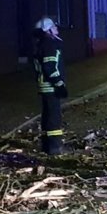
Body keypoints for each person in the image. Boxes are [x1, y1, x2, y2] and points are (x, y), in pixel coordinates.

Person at [32, 16, 68, 155]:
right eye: (54, 27)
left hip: (44, 85)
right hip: (51, 86)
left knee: (47, 115)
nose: (56, 29)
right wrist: (59, 84)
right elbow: (50, 67)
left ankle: (47, 145)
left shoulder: (42, 43)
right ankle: (55, 148)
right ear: (48, 30)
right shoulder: (49, 44)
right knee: (54, 117)